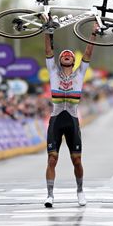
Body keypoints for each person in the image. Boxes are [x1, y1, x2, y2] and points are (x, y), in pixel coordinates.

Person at [43, 30, 95, 208]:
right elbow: (48, 51)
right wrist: (46, 31)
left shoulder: (80, 73)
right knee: (52, 159)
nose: (66, 55)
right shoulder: (53, 72)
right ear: (59, 60)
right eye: (63, 54)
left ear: (74, 61)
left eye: (70, 55)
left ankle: (80, 191)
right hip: (56, 120)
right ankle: (50, 195)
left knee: (77, 161)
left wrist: (93, 34)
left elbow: (88, 53)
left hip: (72, 120)